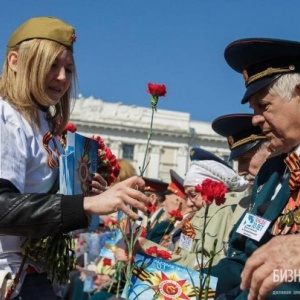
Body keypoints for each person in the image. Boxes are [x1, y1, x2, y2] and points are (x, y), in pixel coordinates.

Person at [0, 16, 149, 299]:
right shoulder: (5, 117)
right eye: (51, 65)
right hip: (10, 277)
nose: (61, 77)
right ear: (15, 62)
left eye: (68, 69)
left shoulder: (41, 123)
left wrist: (86, 193)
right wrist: (85, 203)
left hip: (35, 274)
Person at [211, 37, 300, 299]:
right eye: (254, 109)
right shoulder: (272, 171)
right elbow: (241, 258)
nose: (256, 119)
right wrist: (183, 288)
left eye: (264, 105)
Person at [138, 147, 249, 269]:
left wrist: (147, 247)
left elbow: (208, 266)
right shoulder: (203, 214)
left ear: (212, 189)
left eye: (193, 195)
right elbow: (185, 256)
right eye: (187, 196)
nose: (189, 203)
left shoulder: (223, 210)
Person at [212, 113, 271, 229]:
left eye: (245, 159)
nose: (240, 171)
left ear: (271, 150)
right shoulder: (244, 204)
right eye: (237, 162)